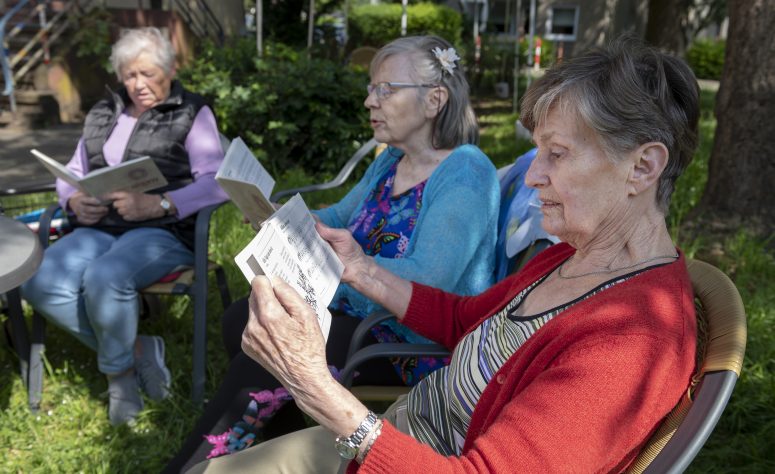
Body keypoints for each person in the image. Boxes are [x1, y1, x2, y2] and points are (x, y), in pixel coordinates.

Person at [187, 36, 701, 473]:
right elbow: (463, 319)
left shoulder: (632, 339)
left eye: (557, 154)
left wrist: (317, 388)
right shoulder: (578, 256)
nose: (532, 175)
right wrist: (362, 268)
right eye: (538, 151)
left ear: (642, 168)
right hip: (397, 434)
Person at [163, 35, 499, 472]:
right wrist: (279, 218)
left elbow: (427, 281)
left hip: (410, 346)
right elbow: (339, 215)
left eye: (384, 89)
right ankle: (283, 446)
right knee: (239, 322)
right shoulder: (389, 163)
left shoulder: (466, 172)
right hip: (366, 321)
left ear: (435, 100)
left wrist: (334, 275)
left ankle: (190, 467)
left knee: (271, 351)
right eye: (370, 88)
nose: (368, 101)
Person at [21, 27, 228, 426]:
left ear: (169, 70)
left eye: (148, 74)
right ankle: (137, 350)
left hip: (164, 230)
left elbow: (216, 181)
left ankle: (120, 381)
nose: (138, 85)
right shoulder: (103, 112)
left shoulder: (191, 112)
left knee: (106, 276)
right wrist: (73, 200)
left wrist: (160, 203)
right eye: (130, 75)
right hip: (99, 227)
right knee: (38, 277)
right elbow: (73, 172)